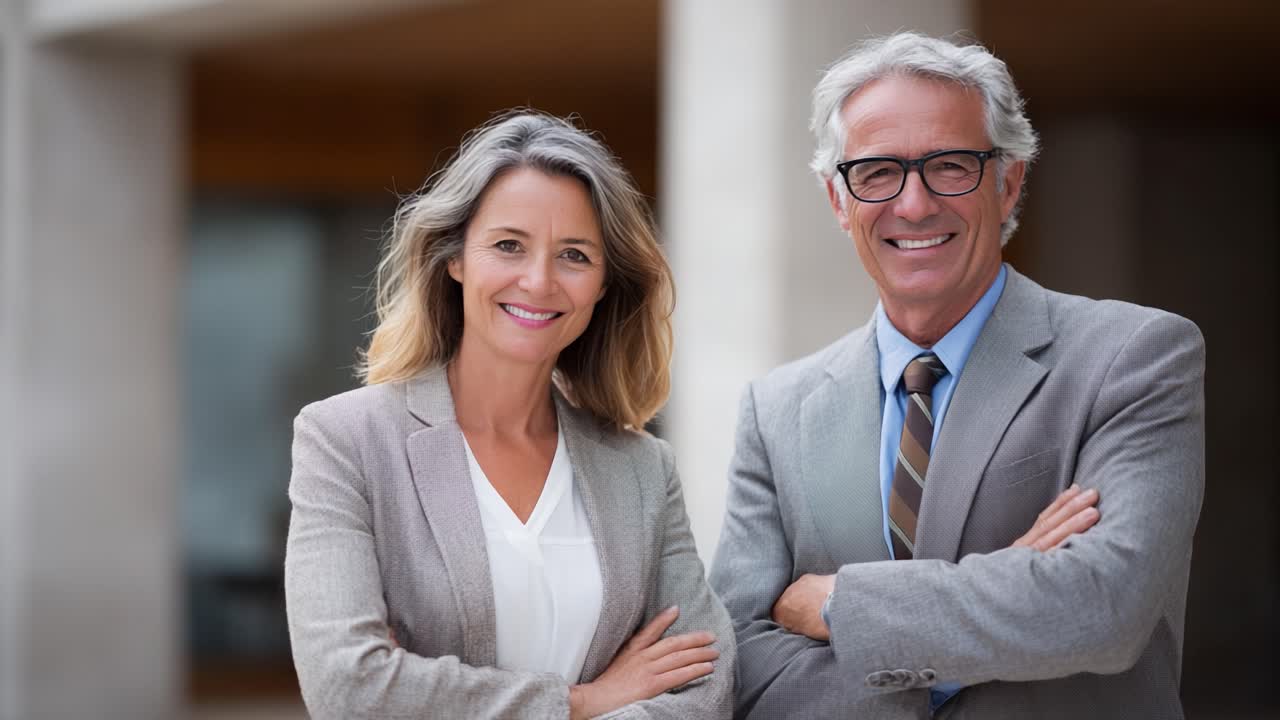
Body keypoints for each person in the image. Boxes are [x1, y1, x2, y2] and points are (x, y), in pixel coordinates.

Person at [709, 32, 1205, 719]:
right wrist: (1008, 589)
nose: (913, 204)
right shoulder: (778, 409)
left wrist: (840, 606)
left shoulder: (1134, 357)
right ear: (836, 200)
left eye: (948, 165)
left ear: (1008, 183)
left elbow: (1103, 605)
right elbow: (739, 659)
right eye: (878, 171)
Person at [285, 111, 734, 719]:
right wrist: (579, 703)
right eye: (508, 245)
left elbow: (704, 687)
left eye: (574, 254)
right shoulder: (345, 442)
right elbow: (350, 688)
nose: (538, 280)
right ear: (455, 257)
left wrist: (426, 691)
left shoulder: (643, 469)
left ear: (604, 285)